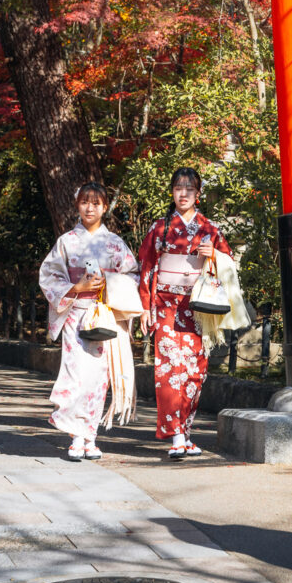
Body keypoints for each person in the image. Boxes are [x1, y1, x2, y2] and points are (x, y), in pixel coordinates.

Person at [138, 166, 249, 460]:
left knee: (195, 372)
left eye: (189, 188)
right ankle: (176, 435)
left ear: (198, 194)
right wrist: (145, 307)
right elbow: (147, 268)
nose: (183, 193)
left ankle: (185, 433)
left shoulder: (210, 229)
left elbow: (229, 263)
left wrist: (214, 256)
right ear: (172, 192)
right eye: (178, 188)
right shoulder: (159, 228)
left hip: (198, 308)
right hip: (165, 306)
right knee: (170, 369)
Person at [39, 181, 140, 462]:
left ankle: (90, 436)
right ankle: (76, 436)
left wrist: (108, 282)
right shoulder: (66, 242)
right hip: (75, 314)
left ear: (105, 207)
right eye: (85, 202)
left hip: (104, 314)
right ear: (77, 206)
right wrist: (77, 288)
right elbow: (49, 276)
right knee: (76, 375)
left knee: (99, 378)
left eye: (96, 203)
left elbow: (134, 275)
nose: (90, 207)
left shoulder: (116, 244)